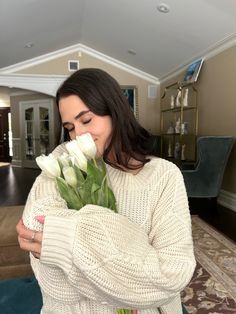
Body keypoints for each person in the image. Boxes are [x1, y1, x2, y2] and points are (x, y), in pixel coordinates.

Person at [16, 68, 196, 314]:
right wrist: (133, 267)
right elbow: (54, 283)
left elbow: (172, 274)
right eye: (69, 126)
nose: (78, 134)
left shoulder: (164, 175)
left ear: (115, 112)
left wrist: (67, 240)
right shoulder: (64, 161)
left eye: (86, 120)